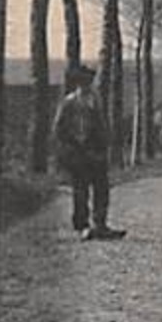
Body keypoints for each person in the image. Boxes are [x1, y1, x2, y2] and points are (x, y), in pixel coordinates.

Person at [53, 64, 125, 241]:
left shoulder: (96, 100)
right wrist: (73, 144)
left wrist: (104, 144)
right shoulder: (69, 103)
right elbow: (58, 128)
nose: (87, 85)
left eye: (90, 81)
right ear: (78, 83)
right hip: (78, 153)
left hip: (96, 153)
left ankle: (100, 224)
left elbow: (101, 126)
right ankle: (82, 226)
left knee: (101, 188)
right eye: (84, 82)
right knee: (80, 190)